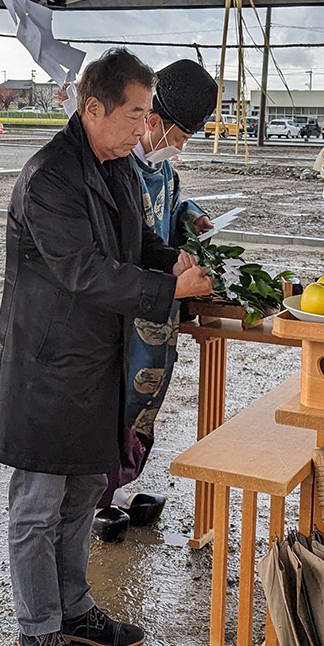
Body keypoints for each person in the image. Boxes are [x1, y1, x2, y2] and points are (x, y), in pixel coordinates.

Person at [0, 48, 213, 646]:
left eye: (147, 114)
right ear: (93, 108)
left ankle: (74, 608)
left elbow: (134, 241)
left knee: (86, 489)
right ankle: (38, 628)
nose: (144, 128)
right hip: (46, 365)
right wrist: (168, 292)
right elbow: (83, 270)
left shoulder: (113, 166)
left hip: (92, 362)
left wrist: (171, 261)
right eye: (136, 114)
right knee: (38, 503)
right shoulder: (50, 176)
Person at [91, 58, 218, 543]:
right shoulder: (117, 165)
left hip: (164, 305)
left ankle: (121, 486)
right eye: (178, 137)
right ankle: (94, 497)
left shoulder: (161, 170)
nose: (179, 148)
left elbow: (175, 208)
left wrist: (195, 217)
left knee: (147, 393)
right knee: (116, 394)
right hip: (129, 305)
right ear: (153, 121)